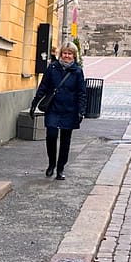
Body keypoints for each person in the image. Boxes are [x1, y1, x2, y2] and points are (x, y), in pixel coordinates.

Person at [29, 42, 87, 181]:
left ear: (73, 56)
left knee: (65, 140)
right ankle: (51, 164)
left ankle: (60, 168)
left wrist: (81, 111)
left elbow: (82, 93)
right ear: (61, 54)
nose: (67, 56)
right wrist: (34, 103)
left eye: (69, 53)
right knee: (51, 135)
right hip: (53, 108)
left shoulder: (77, 71)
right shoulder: (52, 68)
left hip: (70, 109)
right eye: (65, 53)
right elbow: (43, 86)